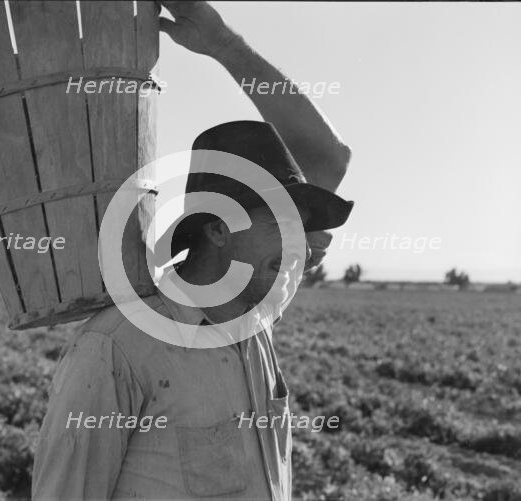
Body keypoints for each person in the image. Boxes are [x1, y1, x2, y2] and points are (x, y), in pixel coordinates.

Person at [32, 2, 353, 499]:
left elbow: (330, 157)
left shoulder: (255, 310)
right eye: (281, 221)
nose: (299, 248)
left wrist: (224, 45)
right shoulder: (116, 351)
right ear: (219, 229)